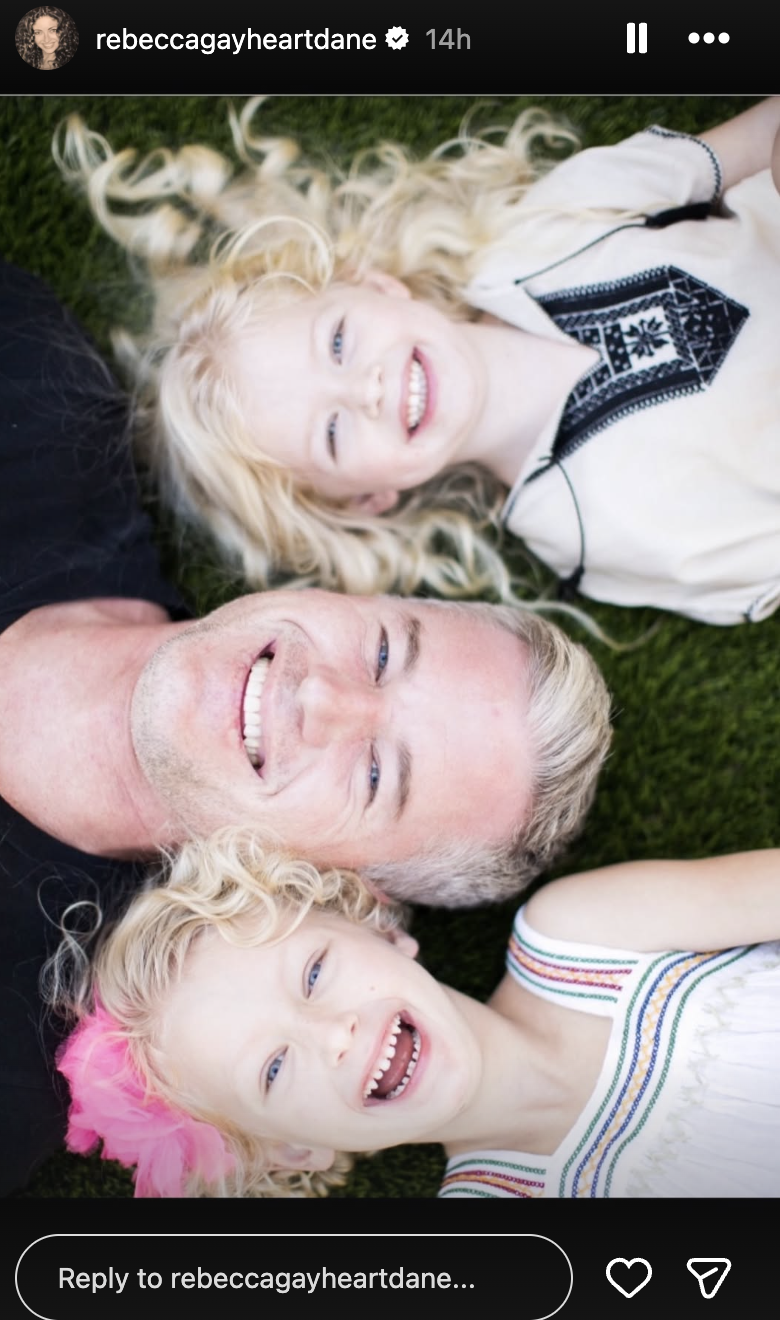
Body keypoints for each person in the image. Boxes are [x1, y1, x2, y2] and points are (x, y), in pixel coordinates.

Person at [0, 263, 611, 1192]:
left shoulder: (16, 1062)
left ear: (338, 889)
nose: (320, 699)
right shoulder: (37, 402)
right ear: (348, 593)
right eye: (383, 652)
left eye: (376, 776)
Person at [55, 98, 780, 624]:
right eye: (331, 432)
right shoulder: (586, 530)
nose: (365, 389)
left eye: (338, 342)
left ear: (376, 285)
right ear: (367, 500)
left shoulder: (549, 224)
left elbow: (750, 142)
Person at [56, 831, 780, 1198]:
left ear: (379, 931)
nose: (334, 1034)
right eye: (273, 1069)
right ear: (293, 1151)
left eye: (314, 973)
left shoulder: (586, 935)